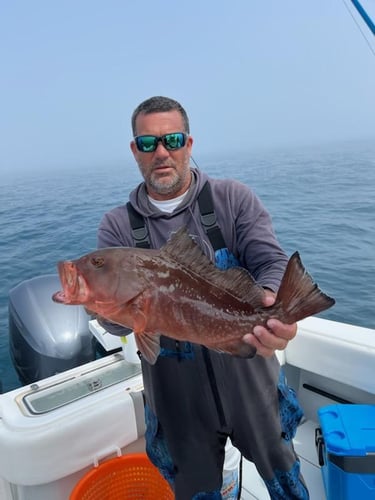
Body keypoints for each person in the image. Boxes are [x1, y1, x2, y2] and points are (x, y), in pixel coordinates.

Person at [97, 96, 308, 500]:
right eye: (148, 143)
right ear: (134, 150)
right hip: (177, 402)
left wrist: (270, 308)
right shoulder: (117, 227)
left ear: (188, 144)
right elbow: (113, 323)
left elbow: (271, 261)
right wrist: (107, 306)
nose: (161, 152)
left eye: (172, 139)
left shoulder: (233, 199)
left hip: (252, 382)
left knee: (286, 480)